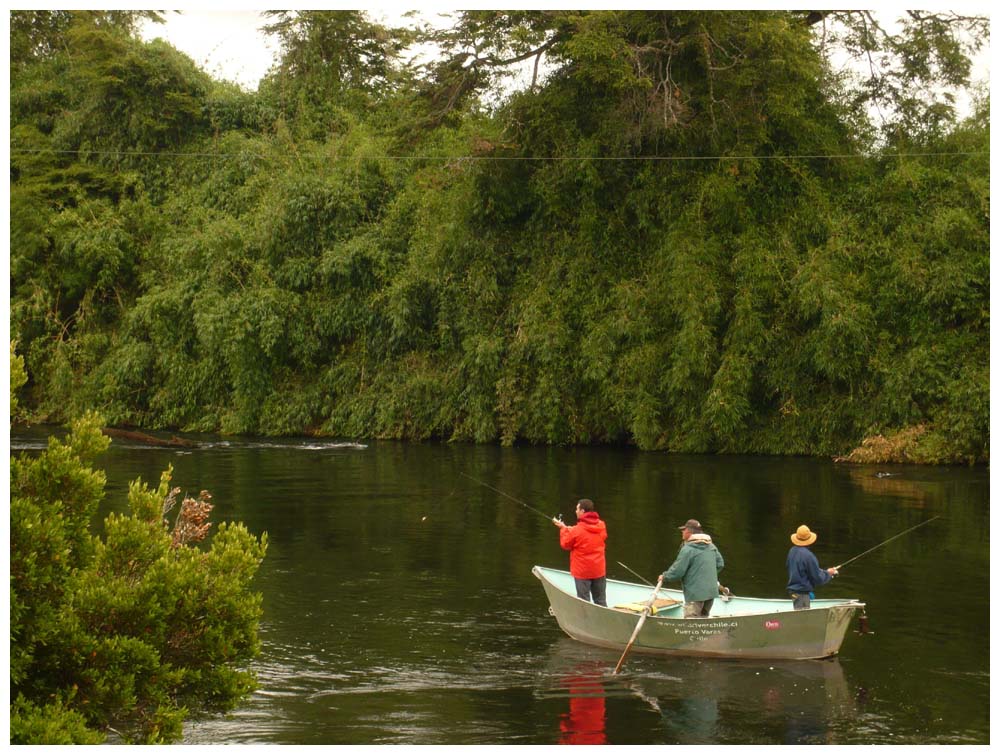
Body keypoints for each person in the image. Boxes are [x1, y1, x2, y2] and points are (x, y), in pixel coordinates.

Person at [662, 519, 725, 618]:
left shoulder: (688, 549)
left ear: (689, 532)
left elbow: (677, 572)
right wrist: (707, 576)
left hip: (695, 594)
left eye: (684, 529)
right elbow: (720, 564)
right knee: (703, 620)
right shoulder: (711, 546)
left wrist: (664, 576)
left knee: (691, 622)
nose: (682, 532)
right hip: (711, 593)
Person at [552, 499, 608, 607]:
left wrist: (563, 529)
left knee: (584, 603)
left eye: (577, 509)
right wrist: (569, 528)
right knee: (600, 601)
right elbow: (588, 532)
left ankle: (586, 622)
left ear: (582, 511)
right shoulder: (601, 526)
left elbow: (565, 544)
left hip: (583, 572)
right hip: (598, 570)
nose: (575, 511)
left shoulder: (576, 531)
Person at [786, 524, 838, 609]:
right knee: (803, 618)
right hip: (801, 593)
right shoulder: (809, 556)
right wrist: (829, 574)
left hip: (793, 592)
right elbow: (818, 578)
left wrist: (825, 572)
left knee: (799, 614)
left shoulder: (792, 551)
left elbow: (796, 569)